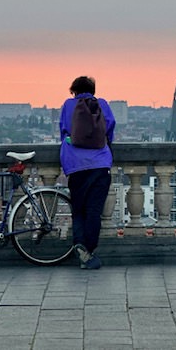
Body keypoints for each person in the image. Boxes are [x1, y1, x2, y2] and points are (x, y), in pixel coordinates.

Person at [59, 76, 116, 269]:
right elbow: (110, 127)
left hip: (76, 164)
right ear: (93, 90)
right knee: (93, 211)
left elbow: (64, 130)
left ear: (73, 90)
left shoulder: (68, 105)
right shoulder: (101, 104)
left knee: (78, 210)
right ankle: (88, 250)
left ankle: (80, 246)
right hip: (100, 163)